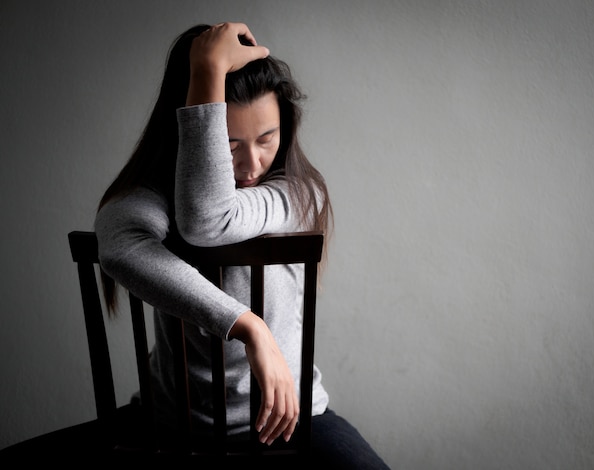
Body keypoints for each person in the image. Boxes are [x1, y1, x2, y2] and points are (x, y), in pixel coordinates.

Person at [94, 22, 389, 468]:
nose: (251, 163)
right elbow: (119, 247)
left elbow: (208, 221)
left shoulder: (300, 193)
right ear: (193, 132)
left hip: (294, 420)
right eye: (228, 144)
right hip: (170, 426)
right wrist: (248, 326)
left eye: (266, 138)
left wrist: (209, 65)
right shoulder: (152, 197)